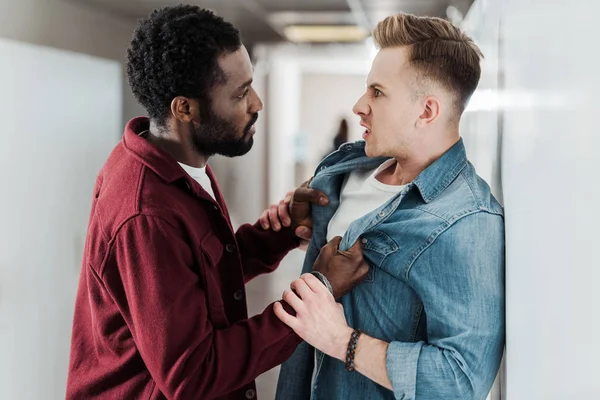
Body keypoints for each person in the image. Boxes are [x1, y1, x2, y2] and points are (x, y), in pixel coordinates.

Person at [65, 5, 369, 400]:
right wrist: (317, 293)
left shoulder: (179, 164)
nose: (257, 103)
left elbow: (196, 274)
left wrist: (274, 235)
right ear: (185, 109)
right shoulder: (146, 212)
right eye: (240, 93)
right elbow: (195, 374)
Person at [271, 13, 505, 400]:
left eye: (377, 92)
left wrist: (340, 340)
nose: (359, 105)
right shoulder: (344, 168)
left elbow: (460, 381)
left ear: (426, 112)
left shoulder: (465, 222)